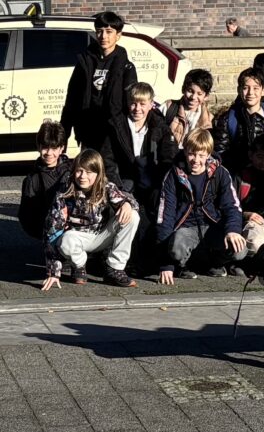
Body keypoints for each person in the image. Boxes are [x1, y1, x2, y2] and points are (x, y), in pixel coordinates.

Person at [100, 82, 178, 272]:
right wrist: (117, 188)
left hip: (151, 179)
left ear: (151, 104)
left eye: (143, 104)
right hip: (124, 180)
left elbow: (169, 157)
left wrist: (161, 180)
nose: (138, 109)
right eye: (134, 103)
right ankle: (120, 260)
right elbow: (108, 160)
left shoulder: (159, 126)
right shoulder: (116, 125)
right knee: (122, 213)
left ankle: (154, 258)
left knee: (156, 212)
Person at [156, 128, 248, 282]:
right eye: (191, 154)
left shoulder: (220, 173)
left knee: (240, 249)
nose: (195, 160)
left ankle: (216, 263)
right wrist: (166, 265)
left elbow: (232, 206)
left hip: (213, 227)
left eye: (201, 155)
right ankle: (183, 266)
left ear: (208, 154)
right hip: (186, 228)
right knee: (176, 247)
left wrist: (232, 230)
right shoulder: (173, 175)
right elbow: (165, 216)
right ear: (185, 151)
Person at [42, 148, 139, 290]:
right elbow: (51, 232)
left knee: (133, 216)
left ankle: (115, 267)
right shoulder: (64, 193)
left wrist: (127, 204)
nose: (83, 176)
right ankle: (79, 264)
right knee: (66, 240)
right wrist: (53, 272)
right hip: (77, 238)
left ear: (98, 174)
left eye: (89, 172)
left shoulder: (107, 188)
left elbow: (130, 200)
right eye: (79, 171)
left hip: (101, 235)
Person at [60, 10, 138, 151]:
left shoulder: (126, 67)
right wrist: (64, 133)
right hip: (88, 131)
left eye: (109, 31)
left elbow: (131, 103)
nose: (103, 36)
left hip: (112, 133)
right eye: (99, 31)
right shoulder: (84, 62)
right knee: (88, 171)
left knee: (110, 172)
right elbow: (72, 99)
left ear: (118, 35)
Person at [212, 67, 264, 175]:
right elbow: (220, 152)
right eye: (246, 88)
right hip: (237, 177)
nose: (250, 92)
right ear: (239, 90)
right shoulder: (228, 119)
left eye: (256, 88)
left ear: (263, 90)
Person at [18, 120, 72, 240]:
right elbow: (26, 216)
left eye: (54, 148)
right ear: (38, 147)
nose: (49, 153)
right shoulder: (32, 180)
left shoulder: (73, 171)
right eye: (45, 148)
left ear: (62, 148)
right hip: (50, 229)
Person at [161, 68, 214, 147]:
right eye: (190, 91)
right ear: (183, 89)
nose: (193, 97)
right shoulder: (168, 108)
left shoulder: (209, 120)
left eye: (199, 94)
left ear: (206, 96)